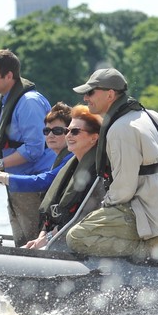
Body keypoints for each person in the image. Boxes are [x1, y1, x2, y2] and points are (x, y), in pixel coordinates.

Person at [65, 68, 158, 260]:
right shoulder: (152, 115)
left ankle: (149, 249)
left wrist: (106, 205)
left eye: (90, 92)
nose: (85, 98)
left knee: (77, 237)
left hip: (144, 212)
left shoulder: (120, 128)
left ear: (110, 94)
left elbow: (124, 188)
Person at [0, 49, 55, 246]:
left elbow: (34, 149)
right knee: (21, 240)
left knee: (32, 242)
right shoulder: (7, 100)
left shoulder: (28, 103)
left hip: (33, 185)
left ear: (9, 76)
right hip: (16, 183)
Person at [24, 105, 103, 249]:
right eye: (67, 131)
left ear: (94, 138)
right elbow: (53, 212)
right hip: (56, 238)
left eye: (75, 131)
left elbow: (80, 217)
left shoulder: (97, 175)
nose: (68, 135)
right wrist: (42, 236)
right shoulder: (71, 167)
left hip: (76, 242)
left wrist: (46, 239)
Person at [0, 102, 73, 194]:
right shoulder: (63, 158)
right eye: (46, 131)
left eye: (57, 131)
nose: (50, 135)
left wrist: (0, 175)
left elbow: (43, 182)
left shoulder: (71, 158)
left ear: (70, 132)